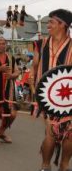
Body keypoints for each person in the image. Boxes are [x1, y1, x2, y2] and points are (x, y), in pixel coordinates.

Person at [33, 9, 72, 171]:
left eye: (51, 22)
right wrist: (33, 87)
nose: (48, 25)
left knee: (70, 133)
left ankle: (64, 165)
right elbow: (34, 68)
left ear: (63, 25)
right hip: (47, 98)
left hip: (69, 98)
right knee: (51, 133)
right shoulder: (40, 45)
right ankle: (45, 165)